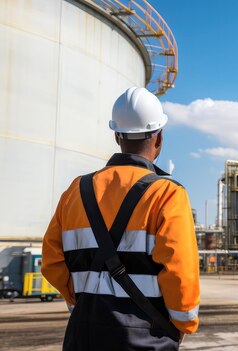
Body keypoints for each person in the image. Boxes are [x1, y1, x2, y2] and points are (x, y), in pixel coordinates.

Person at [42, 87, 200, 350]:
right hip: (146, 337)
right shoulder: (167, 194)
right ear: (159, 138)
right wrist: (183, 324)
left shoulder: (75, 191)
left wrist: (80, 300)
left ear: (117, 136)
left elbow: (51, 262)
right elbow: (179, 271)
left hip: (83, 334)